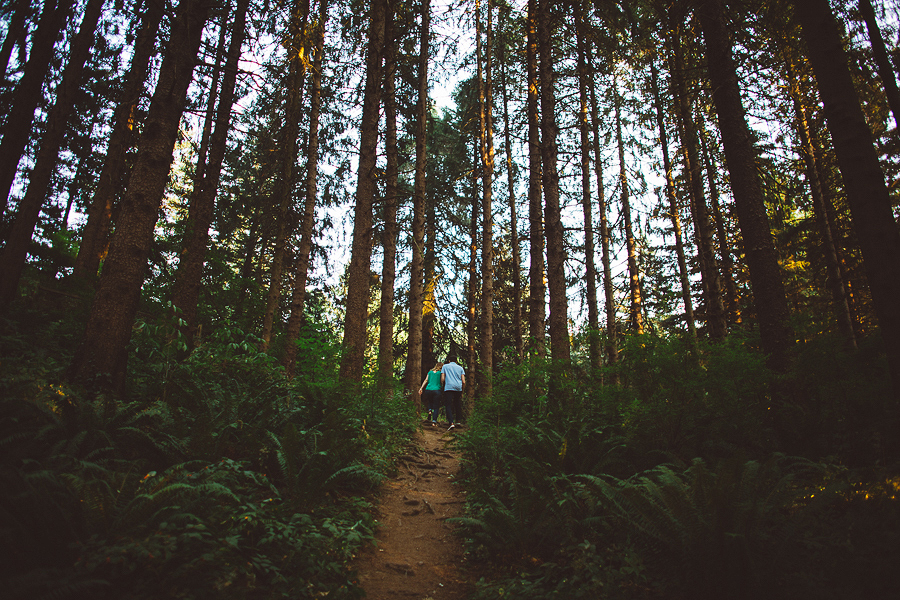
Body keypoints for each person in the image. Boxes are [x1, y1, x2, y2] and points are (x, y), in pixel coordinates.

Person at [440, 354, 465, 431]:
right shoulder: (460, 368)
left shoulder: (445, 366)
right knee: (457, 403)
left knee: (448, 404)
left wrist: (442, 385)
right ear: (456, 361)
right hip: (458, 387)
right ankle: (458, 421)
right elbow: (463, 381)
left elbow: (443, 379)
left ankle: (451, 423)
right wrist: (462, 392)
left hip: (449, 387)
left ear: (449, 361)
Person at [418, 362, 443, 426]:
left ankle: (429, 411)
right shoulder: (440, 373)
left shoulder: (430, 372)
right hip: (436, 390)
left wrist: (421, 388)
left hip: (428, 389)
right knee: (436, 406)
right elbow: (442, 380)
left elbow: (426, 380)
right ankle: (434, 421)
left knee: (430, 402)